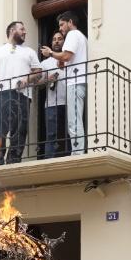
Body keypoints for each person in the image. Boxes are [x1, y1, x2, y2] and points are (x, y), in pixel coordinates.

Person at [0, 21, 42, 165]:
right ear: (12, 30)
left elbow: (38, 73)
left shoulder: (30, 52)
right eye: (22, 29)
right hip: (3, 94)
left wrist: (27, 79)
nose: (25, 32)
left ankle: (13, 161)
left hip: (23, 96)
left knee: (19, 131)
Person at [40, 11, 87, 155]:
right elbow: (70, 59)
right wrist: (63, 63)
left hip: (75, 82)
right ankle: (77, 151)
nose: (60, 28)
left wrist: (51, 54)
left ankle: (77, 153)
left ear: (70, 22)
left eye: (62, 24)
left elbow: (66, 55)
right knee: (76, 119)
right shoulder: (83, 37)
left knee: (73, 122)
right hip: (80, 81)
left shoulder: (73, 34)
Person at [38, 31, 69, 159]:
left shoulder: (69, 58)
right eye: (54, 39)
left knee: (69, 134)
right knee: (51, 135)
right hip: (51, 104)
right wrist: (48, 80)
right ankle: (48, 163)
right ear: (51, 43)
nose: (56, 41)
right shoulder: (45, 63)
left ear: (64, 42)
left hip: (69, 101)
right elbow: (38, 85)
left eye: (60, 39)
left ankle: (70, 162)